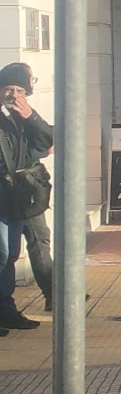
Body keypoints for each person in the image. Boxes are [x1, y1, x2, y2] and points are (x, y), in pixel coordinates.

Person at [0, 62, 51, 334]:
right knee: (3, 253)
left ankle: (6, 311)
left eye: (20, 89)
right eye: (9, 89)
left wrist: (30, 116)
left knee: (10, 254)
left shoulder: (22, 116)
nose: (15, 95)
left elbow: (48, 142)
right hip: (4, 196)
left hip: (20, 197)